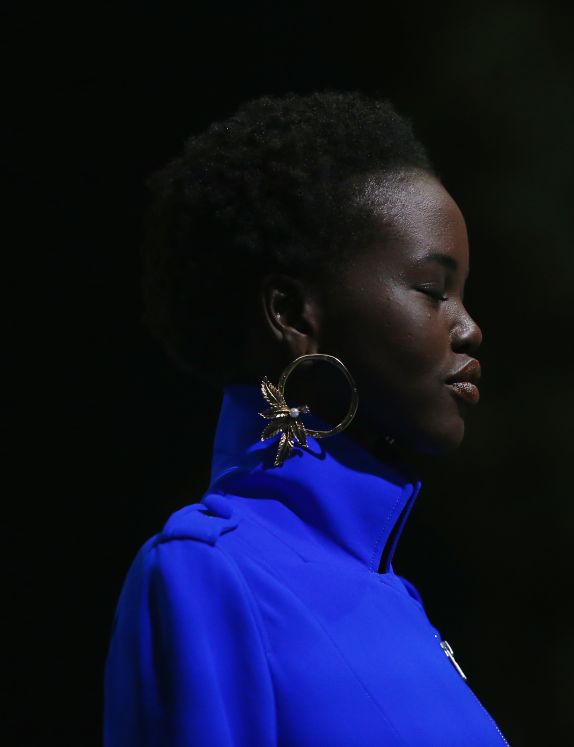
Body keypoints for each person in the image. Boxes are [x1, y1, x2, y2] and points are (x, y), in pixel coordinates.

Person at [103, 91, 509, 746]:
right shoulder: (207, 574)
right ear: (292, 314)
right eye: (434, 291)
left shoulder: (402, 604)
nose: (470, 328)